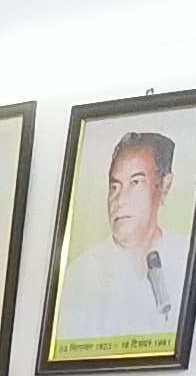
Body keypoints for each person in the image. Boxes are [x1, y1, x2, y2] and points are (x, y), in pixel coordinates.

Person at [54, 130, 182, 347]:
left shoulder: (187, 257)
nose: (120, 200)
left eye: (136, 183)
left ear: (164, 186)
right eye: (114, 187)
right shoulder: (80, 275)